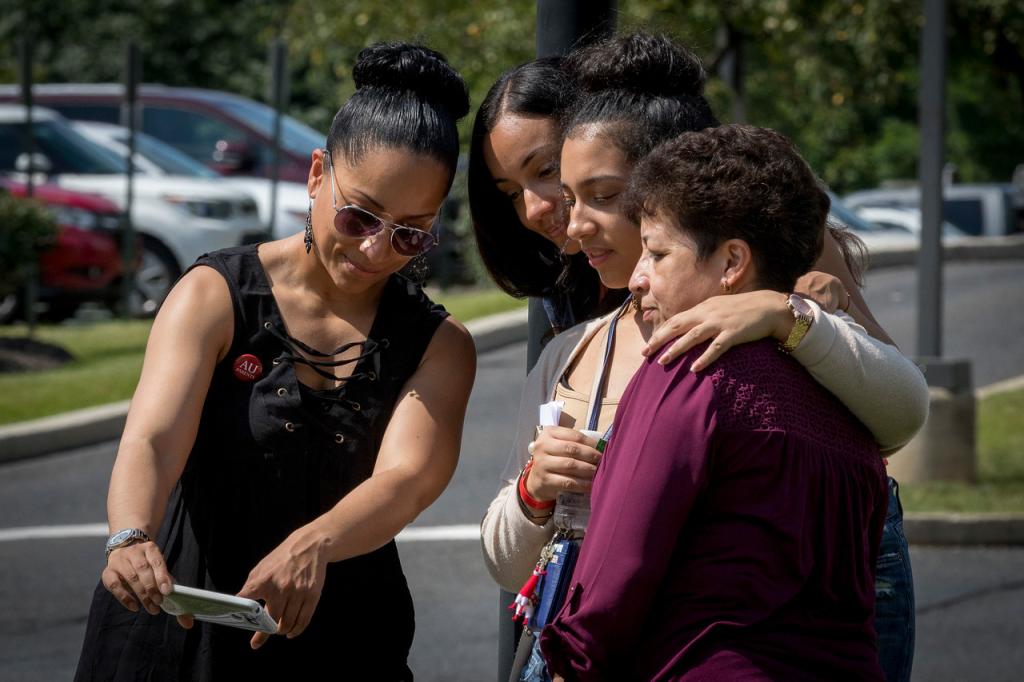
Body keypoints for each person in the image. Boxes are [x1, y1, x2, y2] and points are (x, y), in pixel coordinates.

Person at [475, 33, 926, 682]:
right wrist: (532, 492)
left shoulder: (784, 301)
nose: (554, 218)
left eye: (595, 193)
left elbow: (904, 410)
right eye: (558, 193)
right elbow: (515, 560)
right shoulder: (572, 354)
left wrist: (788, 315)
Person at [74, 43, 475, 681]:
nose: (374, 249)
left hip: (343, 638)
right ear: (318, 174)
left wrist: (315, 542)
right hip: (180, 622)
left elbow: (409, 478)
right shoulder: (214, 293)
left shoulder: (439, 343)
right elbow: (153, 436)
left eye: (409, 233)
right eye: (359, 214)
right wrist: (130, 535)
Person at [541, 123, 889, 680]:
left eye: (656, 253)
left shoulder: (687, 369)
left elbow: (613, 579)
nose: (636, 279)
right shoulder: (854, 391)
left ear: (732, 262)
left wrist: (567, 666)